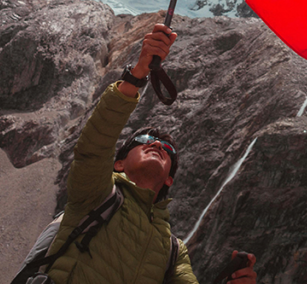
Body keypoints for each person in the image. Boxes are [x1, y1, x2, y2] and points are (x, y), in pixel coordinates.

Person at [43, 24, 257, 284]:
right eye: (144, 141)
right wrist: (137, 74)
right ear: (118, 164)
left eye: (167, 150)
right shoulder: (95, 194)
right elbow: (95, 144)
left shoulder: (173, 251)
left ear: (169, 179)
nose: (157, 146)